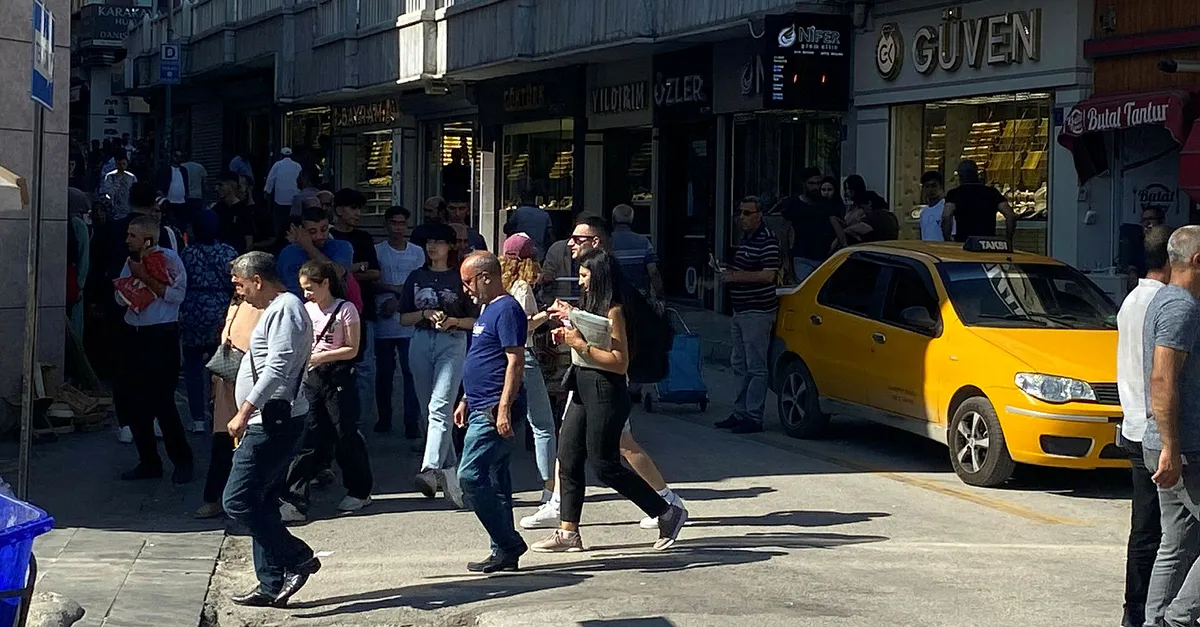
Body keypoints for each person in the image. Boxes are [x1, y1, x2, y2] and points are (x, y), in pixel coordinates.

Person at [522, 216, 685, 532]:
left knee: (613, 454)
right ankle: (563, 518)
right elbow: (593, 326)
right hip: (586, 379)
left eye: (577, 239)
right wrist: (571, 319)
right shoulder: (596, 285)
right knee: (570, 447)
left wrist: (577, 339)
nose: (570, 244)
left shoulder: (612, 292)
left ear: (595, 243)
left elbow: (614, 346)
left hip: (605, 383)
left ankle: (667, 504)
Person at [222, 252, 320, 608]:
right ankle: (270, 582)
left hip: (271, 422)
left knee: (237, 500)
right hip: (268, 420)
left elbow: (278, 367)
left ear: (257, 280)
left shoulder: (286, 309)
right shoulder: (278, 310)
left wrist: (244, 411)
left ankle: (297, 557)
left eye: (240, 285)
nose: (239, 293)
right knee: (260, 500)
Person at [279, 261, 374, 522]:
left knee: (345, 433)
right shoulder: (305, 310)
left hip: (338, 376)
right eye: (303, 289)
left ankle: (360, 489)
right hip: (311, 378)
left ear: (325, 284)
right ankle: (295, 498)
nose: (306, 294)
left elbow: (352, 349)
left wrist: (321, 357)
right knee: (307, 435)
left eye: (310, 288)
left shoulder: (346, 309)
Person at [455, 251, 529, 573]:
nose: (466, 289)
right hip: (480, 403)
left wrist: (503, 409)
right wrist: (465, 399)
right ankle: (503, 552)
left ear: (486, 277)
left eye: (468, 281)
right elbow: (482, 357)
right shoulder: (487, 310)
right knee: (497, 480)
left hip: (493, 408)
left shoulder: (507, 309)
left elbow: (515, 362)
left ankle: (509, 543)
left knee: (469, 476)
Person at [1117, 226, 1173, 627]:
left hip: (1134, 424)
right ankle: (1156, 610)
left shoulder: (1131, 301)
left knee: (1144, 530)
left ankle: (1134, 610)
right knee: (1171, 533)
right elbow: (1163, 376)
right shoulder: (1166, 304)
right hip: (1156, 428)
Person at [400, 222, 477, 506]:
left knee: (440, 407)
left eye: (439, 242)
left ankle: (430, 469)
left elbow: (475, 319)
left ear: (450, 246)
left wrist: (452, 320)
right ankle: (451, 477)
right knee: (429, 411)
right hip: (421, 339)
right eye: (429, 242)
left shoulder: (460, 277)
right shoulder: (415, 276)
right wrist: (425, 313)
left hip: (453, 340)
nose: (433, 247)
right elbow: (403, 318)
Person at [114, 215, 194, 482]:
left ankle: (182, 461)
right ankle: (148, 462)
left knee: (163, 403)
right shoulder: (130, 262)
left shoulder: (169, 259)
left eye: (133, 236)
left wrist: (146, 279)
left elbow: (177, 296)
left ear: (147, 239)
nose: (127, 240)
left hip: (161, 336)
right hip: (133, 335)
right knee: (135, 403)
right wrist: (131, 287)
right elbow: (119, 296)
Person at [195, 295, 265, 519]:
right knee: (222, 441)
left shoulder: (269, 307)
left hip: (255, 385)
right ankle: (213, 497)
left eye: (239, 280)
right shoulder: (236, 304)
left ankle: (249, 498)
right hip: (227, 382)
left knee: (254, 445)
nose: (235, 282)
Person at [714, 197, 780, 435]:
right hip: (741, 310)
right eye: (740, 212)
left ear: (759, 216)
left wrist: (735, 277)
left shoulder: (767, 240)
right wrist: (728, 270)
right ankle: (740, 412)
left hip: (757, 311)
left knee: (756, 366)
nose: (742, 217)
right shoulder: (746, 239)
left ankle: (753, 415)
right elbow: (748, 269)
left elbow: (768, 275)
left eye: (747, 213)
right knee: (739, 363)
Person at [500, 233, 557, 499]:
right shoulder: (522, 286)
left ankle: (495, 479)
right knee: (542, 424)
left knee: (499, 418)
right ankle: (549, 487)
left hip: (499, 356)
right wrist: (547, 314)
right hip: (524, 355)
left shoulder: (499, 284)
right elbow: (524, 325)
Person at [180, 210, 239, 434]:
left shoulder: (188, 253)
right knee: (223, 366)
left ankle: (197, 419)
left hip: (193, 308)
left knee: (193, 366)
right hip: (221, 310)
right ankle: (220, 414)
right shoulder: (228, 252)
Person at [330, 188, 381, 421]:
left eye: (359, 209)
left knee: (365, 368)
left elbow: (375, 272)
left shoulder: (364, 238)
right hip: (331, 312)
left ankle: (361, 423)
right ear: (339, 210)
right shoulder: (328, 237)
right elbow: (326, 273)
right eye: (353, 208)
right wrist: (355, 268)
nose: (357, 214)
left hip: (362, 310)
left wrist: (346, 271)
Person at [374, 206, 426, 436]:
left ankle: (411, 422)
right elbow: (372, 280)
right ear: (386, 225)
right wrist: (392, 290)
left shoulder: (417, 252)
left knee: (411, 373)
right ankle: (384, 418)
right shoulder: (377, 251)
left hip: (408, 319)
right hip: (383, 319)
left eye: (401, 223)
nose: (398, 228)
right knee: (384, 374)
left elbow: (419, 282)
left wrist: (398, 298)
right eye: (393, 223)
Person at [780, 168, 846, 282]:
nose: (815, 187)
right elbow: (785, 232)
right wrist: (786, 260)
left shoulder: (826, 203)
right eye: (811, 183)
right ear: (804, 184)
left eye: (818, 183)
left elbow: (836, 227)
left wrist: (844, 246)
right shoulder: (793, 204)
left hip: (825, 257)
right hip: (802, 257)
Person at [277, 205, 354, 298]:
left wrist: (308, 247)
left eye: (324, 230)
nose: (319, 236)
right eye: (312, 232)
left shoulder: (342, 247)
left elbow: (337, 273)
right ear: (301, 231)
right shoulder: (287, 253)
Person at [943, 160, 1017, 245]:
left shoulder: (954, 194)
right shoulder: (992, 193)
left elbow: (946, 216)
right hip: (987, 243)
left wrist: (948, 239)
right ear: (977, 173)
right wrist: (1008, 239)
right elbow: (1010, 215)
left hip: (964, 242)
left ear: (960, 175)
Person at [609, 204, 663, 300]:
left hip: (613, 297)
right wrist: (660, 296)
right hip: (639, 297)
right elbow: (653, 272)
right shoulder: (644, 242)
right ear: (632, 220)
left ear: (613, 220)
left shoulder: (606, 242)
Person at [212, 170, 255, 253]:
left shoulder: (244, 210)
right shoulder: (216, 209)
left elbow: (248, 235)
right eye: (216, 185)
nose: (216, 189)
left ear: (231, 186)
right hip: (218, 254)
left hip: (238, 255)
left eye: (220, 185)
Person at [504, 189, 553, 260]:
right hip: (539, 253)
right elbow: (550, 236)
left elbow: (506, 229)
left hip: (520, 253)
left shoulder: (518, 213)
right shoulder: (544, 214)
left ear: (522, 199)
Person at [265, 148, 303, 239]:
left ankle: (280, 237)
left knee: (280, 221)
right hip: (294, 198)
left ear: (281, 155)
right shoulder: (297, 165)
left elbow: (270, 179)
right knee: (293, 221)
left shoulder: (277, 165)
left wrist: (267, 191)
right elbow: (301, 180)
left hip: (280, 199)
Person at [157, 151, 192, 232]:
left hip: (182, 202)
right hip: (168, 201)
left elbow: (186, 182)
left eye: (180, 156)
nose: (178, 158)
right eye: (176, 156)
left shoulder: (184, 170)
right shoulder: (165, 169)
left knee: (181, 224)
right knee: (167, 223)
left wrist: (186, 193)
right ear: (172, 156)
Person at [100, 155, 137, 221]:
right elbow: (107, 191)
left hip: (128, 207)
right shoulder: (110, 176)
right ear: (116, 164)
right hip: (115, 208)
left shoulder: (131, 177)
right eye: (119, 164)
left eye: (124, 164)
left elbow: (135, 191)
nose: (122, 166)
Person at [918, 171, 951, 242]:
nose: (930, 189)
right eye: (927, 186)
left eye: (933, 186)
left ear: (940, 187)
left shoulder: (946, 208)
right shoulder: (923, 212)